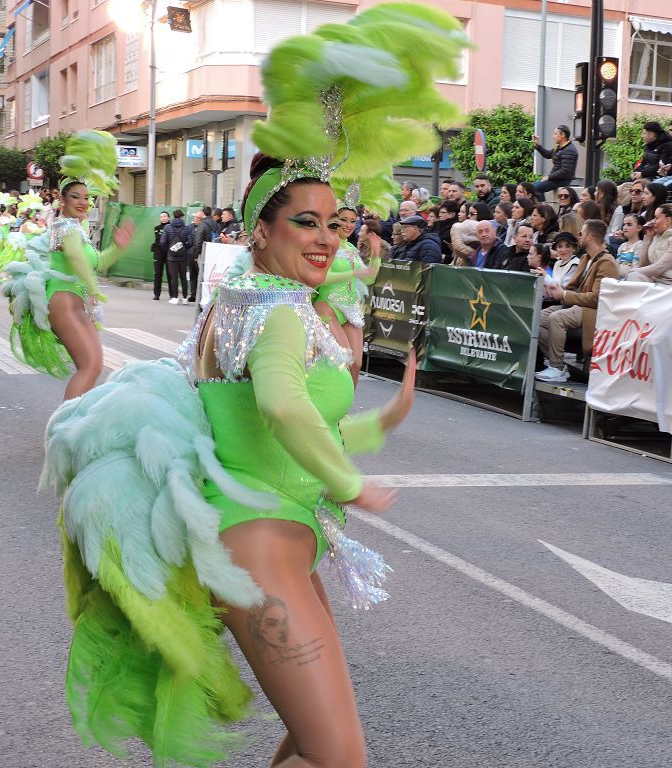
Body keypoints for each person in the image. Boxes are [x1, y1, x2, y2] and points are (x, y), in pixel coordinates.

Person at [39, 7, 464, 767]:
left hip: (270, 537)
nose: (329, 237)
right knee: (340, 757)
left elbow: (253, 417)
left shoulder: (246, 296)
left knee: (311, 743)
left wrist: (376, 425)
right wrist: (350, 482)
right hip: (259, 546)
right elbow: (279, 404)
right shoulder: (279, 316)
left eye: (338, 222)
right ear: (260, 231)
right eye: (307, 221)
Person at [3, 130, 135, 400]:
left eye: (87, 197)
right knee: (88, 367)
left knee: (94, 366)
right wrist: (93, 289)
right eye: (76, 197)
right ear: (62, 200)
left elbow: (95, 261)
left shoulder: (79, 230)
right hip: (63, 299)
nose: (84, 202)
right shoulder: (64, 227)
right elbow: (75, 258)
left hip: (77, 301)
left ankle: (72, 423)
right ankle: (64, 428)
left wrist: (117, 248)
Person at [535, 219, 618, 382]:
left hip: (592, 311)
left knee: (556, 318)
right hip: (577, 305)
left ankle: (557, 367)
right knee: (539, 317)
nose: (578, 236)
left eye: (581, 233)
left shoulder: (606, 262)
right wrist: (556, 290)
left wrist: (564, 295)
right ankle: (556, 363)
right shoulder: (587, 258)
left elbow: (597, 298)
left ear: (590, 236)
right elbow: (573, 288)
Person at [313, 205, 382, 385]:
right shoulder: (326, 244)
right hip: (328, 307)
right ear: (334, 220)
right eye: (344, 220)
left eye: (353, 221)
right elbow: (319, 278)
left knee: (356, 364)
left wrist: (376, 254)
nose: (349, 225)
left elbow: (369, 279)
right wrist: (354, 274)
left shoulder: (351, 247)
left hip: (350, 310)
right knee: (343, 361)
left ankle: (345, 411)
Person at [625, 203, 672, 285]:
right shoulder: (657, 235)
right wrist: (648, 238)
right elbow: (643, 264)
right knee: (634, 276)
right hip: (656, 280)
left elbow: (659, 268)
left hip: (671, 284)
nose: (653, 221)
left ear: (667, 220)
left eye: (656, 218)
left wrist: (633, 270)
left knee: (633, 275)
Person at [532, 125, 578, 196]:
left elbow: (565, 171)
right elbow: (548, 155)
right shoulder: (559, 147)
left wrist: (549, 177)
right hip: (555, 179)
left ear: (563, 135)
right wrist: (537, 145)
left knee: (532, 189)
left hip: (562, 180)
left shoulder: (569, 150)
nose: (553, 136)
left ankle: (539, 206)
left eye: (555, 134)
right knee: (529, 187)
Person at [161, 209, 194, 304]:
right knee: (183, 278)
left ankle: (175, 298)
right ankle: (184, 298)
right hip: (183, 257)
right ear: (182, 216)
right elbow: (191, 242)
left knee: (174, 278)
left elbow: (163, 242)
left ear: (173, 216)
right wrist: (183, 248)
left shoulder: (167, 227)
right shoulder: (186, 228)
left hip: (171, 257)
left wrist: (169, 250)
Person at [190, 209, 214, 302]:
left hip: (202, 253)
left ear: (202, 216)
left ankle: (200, 297)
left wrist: (195, 255)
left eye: (197, 218)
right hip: (212, 253)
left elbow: (198, 241)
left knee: (201, 276)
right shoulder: (215, 223)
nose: (195, 219)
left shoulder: (202, 225)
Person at [615, 213, 644, 278]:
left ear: (639, 228)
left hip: (631, 280)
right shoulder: (622, 246)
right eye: (624, 224)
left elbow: (636, 266)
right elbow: (617, 263)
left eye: (629, 224)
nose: (624, 227)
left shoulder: (639, 245)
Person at [151, 210, 170, 300]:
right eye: (161, 216)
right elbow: (158, 239)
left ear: (168, 217)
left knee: (170, 274)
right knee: (157, 274)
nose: (163, 218)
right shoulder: (156, 228)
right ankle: (157, 294)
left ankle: (172, 295)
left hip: (169, 253)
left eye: (165, 216)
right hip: (158, 253)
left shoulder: (171, 227)